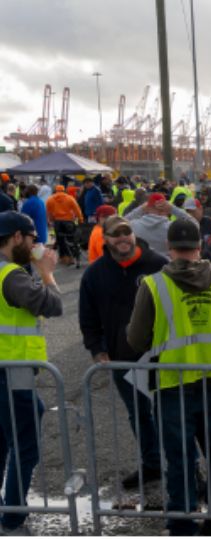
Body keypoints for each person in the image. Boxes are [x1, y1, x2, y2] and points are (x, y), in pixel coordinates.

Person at [126, 219, 211, 536]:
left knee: (179, 456)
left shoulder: (153, 285)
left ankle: (182, 519)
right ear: (200, 246)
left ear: (170, 248)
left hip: (172, 383)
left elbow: (136, 340)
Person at [79, 215, 168, 489]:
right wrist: (97, 350)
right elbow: (88, 317)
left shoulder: (159, 265)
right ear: (104, 239)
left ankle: (189, 470)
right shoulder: (95, 274)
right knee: (139, 414)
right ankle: (152, 464)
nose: (122, 238)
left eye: (126, 232)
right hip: (122, 357)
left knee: (174, 414)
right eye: (115, 234)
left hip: (163, 356)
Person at [0, 211, 62, 535]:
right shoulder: (11, 276)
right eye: (32, 238)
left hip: (8, 370)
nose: (37, 243)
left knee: (3, 439)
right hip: (13, 371)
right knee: (26, 446)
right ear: (16, 238)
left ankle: (8, 508)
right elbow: (53, 305)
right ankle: (12, 518)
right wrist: (47, 272)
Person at [125, 193, 197, 254]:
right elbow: (195, 225)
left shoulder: (134, 225)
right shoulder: (172, 227)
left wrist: (140, 209)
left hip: (143, 267)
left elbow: (118, 223)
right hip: (167, 267)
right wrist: (173, 209)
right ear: (166, 209)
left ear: (147, 208)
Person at [45, 185, 84, 265]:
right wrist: (80, 219)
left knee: (60, 241)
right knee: (71, 240)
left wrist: (50, 220)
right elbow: (77, 209)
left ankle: (64, 258)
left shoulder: (50, 199)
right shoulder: (70, 198)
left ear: (56, 190)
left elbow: (48, 212)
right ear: (64, 190)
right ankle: (72, 257)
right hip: (68, 222)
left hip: (57, 222)